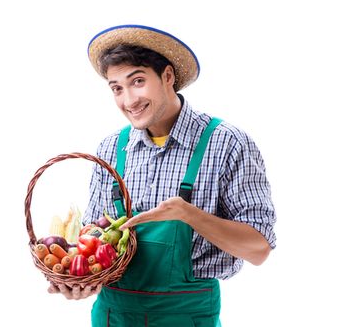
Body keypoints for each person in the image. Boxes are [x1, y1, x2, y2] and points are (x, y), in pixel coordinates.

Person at [49, 24, 277, 326]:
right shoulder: (110, 149)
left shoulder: (226, 143)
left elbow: (259, 249)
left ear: (168, 76)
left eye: (138, 81)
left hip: (186, 316)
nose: (129, 101)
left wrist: (189, 215)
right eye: (117, 88)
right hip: (113, 315)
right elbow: (93, 241)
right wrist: (79, 280)